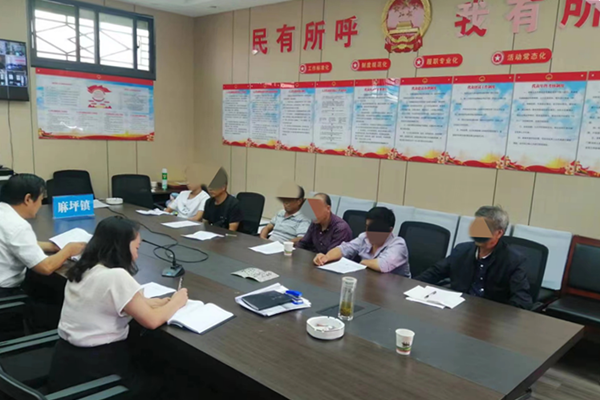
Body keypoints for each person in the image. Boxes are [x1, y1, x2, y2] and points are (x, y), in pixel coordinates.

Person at [49, 216, 189, 396]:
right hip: (98, 370)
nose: (137, 255)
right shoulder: (116, 276)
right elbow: (152, 321)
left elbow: (102, 300)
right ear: (122, 247)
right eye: (136, 248)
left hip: (65, 365)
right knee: (170, 382)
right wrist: (178, 301)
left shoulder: (83, 268)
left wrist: (150, 303)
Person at [415, 206, 532, 310]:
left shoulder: (513, 261)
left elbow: (522, 302)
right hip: (458, 312)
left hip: (490, 319)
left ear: (499, 233)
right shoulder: (461, 251)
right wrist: (413, 287)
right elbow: (434, 272)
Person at [0, 174, 85, 292]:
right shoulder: (18, 226)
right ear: (28, 199)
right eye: (41, 199)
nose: (40, 205)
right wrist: (68, 250)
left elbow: (14, 242)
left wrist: (53, 246)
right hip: (5, 291)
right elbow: (46, 267)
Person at [313, 207, 410, 276]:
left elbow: (383, 265)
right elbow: (344, 249)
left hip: (396, 289)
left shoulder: (398, 244)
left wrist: (362, 262)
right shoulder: (364, 237)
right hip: (369, 282)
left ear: (390, 230)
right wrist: (326, 257)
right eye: (368, 227)